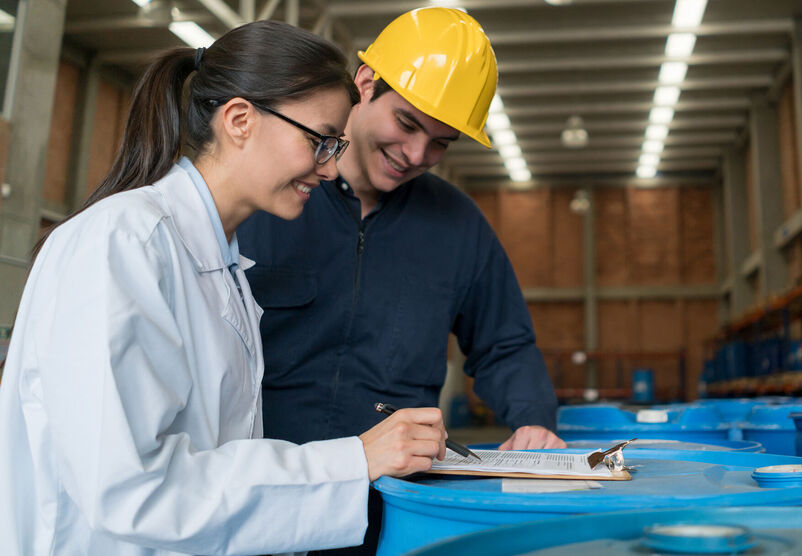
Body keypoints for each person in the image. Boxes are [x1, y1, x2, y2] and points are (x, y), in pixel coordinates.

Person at [0, 20, 450, 555]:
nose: (330, 170)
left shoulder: (224, 267)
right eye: (321, 142)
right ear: (239, 120)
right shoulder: (121, 242)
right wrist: (354, 460)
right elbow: (132, 492)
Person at [236, 8, 565, 552]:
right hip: (260, 495)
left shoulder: (459, 227)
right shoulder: (267, 196)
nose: (417, 155)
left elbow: (505, 344)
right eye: (408, 124)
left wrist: (533, 422)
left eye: (441, 143)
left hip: (390, 511)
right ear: (364, 85)